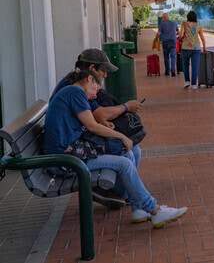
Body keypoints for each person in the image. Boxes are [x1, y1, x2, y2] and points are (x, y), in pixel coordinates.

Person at [44, 68, 188, 228]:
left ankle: (138, 209)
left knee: (126, 155)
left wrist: (101, 123)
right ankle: (154, 210)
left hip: (69, 153)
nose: (94, 96)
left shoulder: (71, 91)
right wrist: (122, 136)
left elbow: (81, 123)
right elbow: (91, 126)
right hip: (65, 160)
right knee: (124, 163)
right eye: (95, 90)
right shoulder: (75, 92)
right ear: (89, 79)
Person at [51, 48, 144, 208]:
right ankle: (137, 201)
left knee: (134, 150)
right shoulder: (75, 88)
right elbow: (97, 117)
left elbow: (92, 116)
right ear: (92, 70)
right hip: (70, 150)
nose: (105, 76)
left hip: (76, 141)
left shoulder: (77, 85)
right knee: (127, 153)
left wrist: (103, 123)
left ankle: (122, 194)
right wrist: (125, 107)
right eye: (103, 71)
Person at [177, 10, 207, 89]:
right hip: (196, 48)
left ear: (188, 17)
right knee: (195, 66)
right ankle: (194, 84)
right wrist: (204, 48)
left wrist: (181, 36)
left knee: (185, 65)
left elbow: (181, 35)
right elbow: (202, 39)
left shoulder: (184, 24)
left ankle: (187, 81)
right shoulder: (199, 26)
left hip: (186, 47)